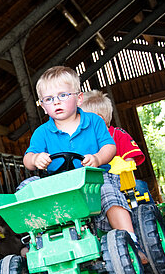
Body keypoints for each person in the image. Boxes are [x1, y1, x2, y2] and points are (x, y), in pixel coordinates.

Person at [23, 66, 147, 263]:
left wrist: (97, 159)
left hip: (95, 178)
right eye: (49, 99)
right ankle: (38, 244)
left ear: (79, 98)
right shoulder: (42, 132)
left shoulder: (94, 121)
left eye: (63, 95)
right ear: (42, 105)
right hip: (60, 185)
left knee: (109, 194)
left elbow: (110, 147)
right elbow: (28, 158)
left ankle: (132, 243)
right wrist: (35, 159)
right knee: (27, 186)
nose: (56, 102)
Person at [80, 90, 152, 201]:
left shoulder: (118, 135)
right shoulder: (82, 142)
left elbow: (130, 160)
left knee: (139, 186)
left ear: (99, 120)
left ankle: (149, 212)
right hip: (96, 188)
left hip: (123, 186)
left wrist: (120, 166)